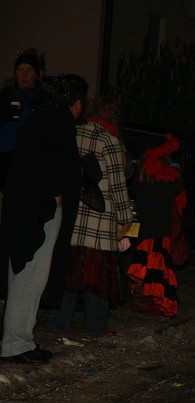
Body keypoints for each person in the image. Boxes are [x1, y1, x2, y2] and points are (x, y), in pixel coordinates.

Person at [0, 74, 87, 364]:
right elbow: (46, 161)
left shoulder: (41, 115)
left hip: (29, 209)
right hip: (40, 212)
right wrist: (55, 194)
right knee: (29, 276)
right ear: (76, 104)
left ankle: (21, 339)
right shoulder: (57, 119)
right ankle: (15, 344)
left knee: (26, 276)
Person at [45, 95, 133, 336]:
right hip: (100, 220)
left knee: (68, 273)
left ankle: (56, 324)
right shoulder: (110, 140)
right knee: (98, 279)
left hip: (71, 217)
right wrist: (127, 218)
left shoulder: (73, 133)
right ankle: (95, 328)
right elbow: (117, 185)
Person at [126, 134, 186, 317]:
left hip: (146, 224)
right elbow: (179, 193)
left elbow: (135, 190)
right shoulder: (169, 175)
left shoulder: (142, 172)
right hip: (161, 226)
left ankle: (141, 297)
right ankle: (155, 299)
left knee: (145, 263)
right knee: (156, 265)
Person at [0, 48, 46, 190]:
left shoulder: (44, 100)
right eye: (20, 69)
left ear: (37, 75)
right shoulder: (4, 97)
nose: (24, 75)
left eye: (29, 70)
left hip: (33, 165)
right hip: (5, 163)